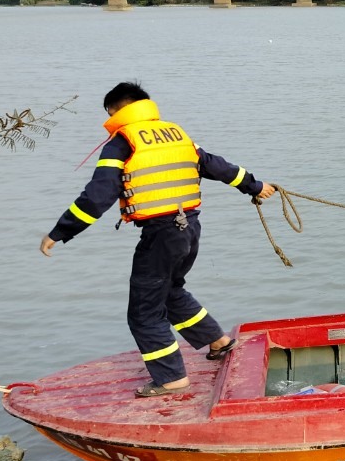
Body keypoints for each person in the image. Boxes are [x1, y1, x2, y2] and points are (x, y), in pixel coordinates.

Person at [39, 82, 276, 398]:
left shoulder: (122, 142)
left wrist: (60, 232)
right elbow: (216, 166)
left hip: (162, 234)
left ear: (117, 111)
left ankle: (171, 379)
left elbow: (98, 196)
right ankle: (218, 341)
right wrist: (254, 185)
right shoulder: (175, 133)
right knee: (169, 290)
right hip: (190, 228)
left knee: (144, 311)